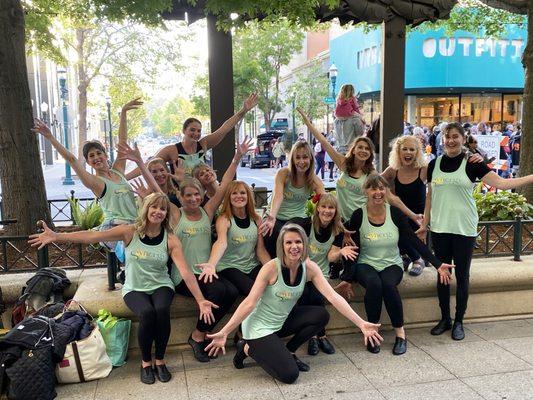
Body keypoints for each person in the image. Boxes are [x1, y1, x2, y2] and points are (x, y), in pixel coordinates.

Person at [28, 193, 217, 385]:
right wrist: (56, 236)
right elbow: (93, 235)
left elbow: (185, 272)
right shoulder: (129, 232)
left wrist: (201, 300)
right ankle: (145, 363)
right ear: (146, 209)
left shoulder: (170, 239)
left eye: (162, 209)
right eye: (154, 207)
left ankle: (159, 360)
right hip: (135, 287)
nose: (158, 212)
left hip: (161, 285)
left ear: (167, 214)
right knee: (147, 313)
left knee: (161, 310)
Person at [204, 224, 383, 384]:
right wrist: (225, 331)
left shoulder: (310, 269)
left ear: (304, 244)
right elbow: (249, 303)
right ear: (281, 246)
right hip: (258, 328)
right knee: (290, 375)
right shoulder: (271, 268)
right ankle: (247, 347)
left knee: (321, 315)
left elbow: (334, 298)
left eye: (298, 242)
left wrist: (361, 323)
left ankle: (288, 350)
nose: (294, 246)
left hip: (281, 322)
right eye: (288, 242)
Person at [417, 122, 533, 341]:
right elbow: (430, 196)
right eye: (447, 136)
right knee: (442, 275)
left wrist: (531, 177)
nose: (450, 140)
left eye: (455, 136)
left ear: (463, 138)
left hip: (464, 229)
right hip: (440, 229)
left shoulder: (472, 163)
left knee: (462, 276)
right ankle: (445, 319)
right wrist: (425, 223)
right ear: (443, 139)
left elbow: (503, 184)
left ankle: (459, 321)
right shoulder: (434, 164)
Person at [337, 175, 454, 355]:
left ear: (387, 191)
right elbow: (350, 247)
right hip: (366, 263)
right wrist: (347, 278)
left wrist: (437, 264)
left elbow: (413, 241)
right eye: (373, 188)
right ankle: (372, 332)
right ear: (366, 191)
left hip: (391, 263)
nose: (378, 192)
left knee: (388, 286)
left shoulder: (395, 213)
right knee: (374, 285)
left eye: (382, 188)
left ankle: (400, 334)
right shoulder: (359, 215)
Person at [169, 138, 251, 362]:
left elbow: (224, 185)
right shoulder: (177, 214)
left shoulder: (207, 211)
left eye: (197, 194)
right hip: (184, 275)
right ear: (181, 197)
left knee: (232, 292)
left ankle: (205, 332)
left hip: (207, 270)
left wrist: (237, 158)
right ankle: (197, 336)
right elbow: (158, 194)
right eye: (188, 195)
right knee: (217, 292)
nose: (194, 198)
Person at [298, 108, 422, 226]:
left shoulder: (371, 174)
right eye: (360, 147)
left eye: (367, 149)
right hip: (341, 222)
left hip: (362, 223)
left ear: (370, 154)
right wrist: (307, 123)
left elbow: (390, 197)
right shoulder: (343, 164)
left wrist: (413, 216)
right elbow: (324, 142)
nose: (363, 151)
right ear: (353, 150)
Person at [33, 99, 143, 228]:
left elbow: (122, 141)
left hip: (135, 227)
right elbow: (72, 160)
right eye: (91, 156)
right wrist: (50, 137)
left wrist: (123, 113)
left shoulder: (118, 170)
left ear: (106, 155)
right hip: (116, 230)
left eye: (98, 153)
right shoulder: (95, 182)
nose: (96, 157)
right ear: (89, 162)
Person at [127, 93, 258, 179]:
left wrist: (243, 110)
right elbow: (148, 165)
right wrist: (125, 177)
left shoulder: (204, 144)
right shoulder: (172, 150)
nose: (196, 134)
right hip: (182, 196)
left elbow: (224, 129)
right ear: (184, 130)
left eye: (199, 131)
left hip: (202, 193)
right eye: (192, 130)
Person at [300, 193, 357, 356]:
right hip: (303, 270)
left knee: (317, 298)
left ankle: (319, 335)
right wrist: (310, 271)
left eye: (331, 207)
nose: (327, 210)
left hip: (321, 273)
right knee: (305, 297)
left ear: (335, 211)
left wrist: (341, 252)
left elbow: (330, 256)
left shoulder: (337, 231)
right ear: (317, 209)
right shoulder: (306, 224)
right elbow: (301, 253)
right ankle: (316, 336)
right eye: (323, 207)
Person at [196, 180, 271, 298]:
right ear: (229, 197)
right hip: (229, 267)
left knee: (272, 286)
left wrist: (273, 269)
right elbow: (221, 243)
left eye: (242, 193)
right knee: (256, 291)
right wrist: (211, 264)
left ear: (248, 196)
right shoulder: (224, 219)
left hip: (251, 265)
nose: (239, 196)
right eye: (234, 193)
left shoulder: (256, 219)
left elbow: (260, 250)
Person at [260, 141, 325, 258]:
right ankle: (275, 268)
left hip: (298, 219)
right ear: (292, 160)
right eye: (298, 157)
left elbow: (326, 202)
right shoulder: (283, 173)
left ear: (310, 159)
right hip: (275, 217)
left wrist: (337, 224)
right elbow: (278, 196)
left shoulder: (314, 181)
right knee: (270, 231)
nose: (301, 162)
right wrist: (272, 217)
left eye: (305, 157)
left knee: (289, 232)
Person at [381, 135, 428, 276]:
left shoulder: (424, 169)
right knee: (394, 227)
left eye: (412, 150)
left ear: (417, 152)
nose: (408, 152)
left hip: (418, 218)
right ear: (398, 152)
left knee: (401, 228)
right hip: (401, 215)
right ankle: (411, 258)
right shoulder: (393, 169)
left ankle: (416, 259)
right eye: (405, 149)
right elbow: (374, 181)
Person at [334, 84, 365, 154]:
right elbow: (360, 134)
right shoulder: (355, 119)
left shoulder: (336, 120)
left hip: (339, 150)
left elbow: (336, 137)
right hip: (352, 150)